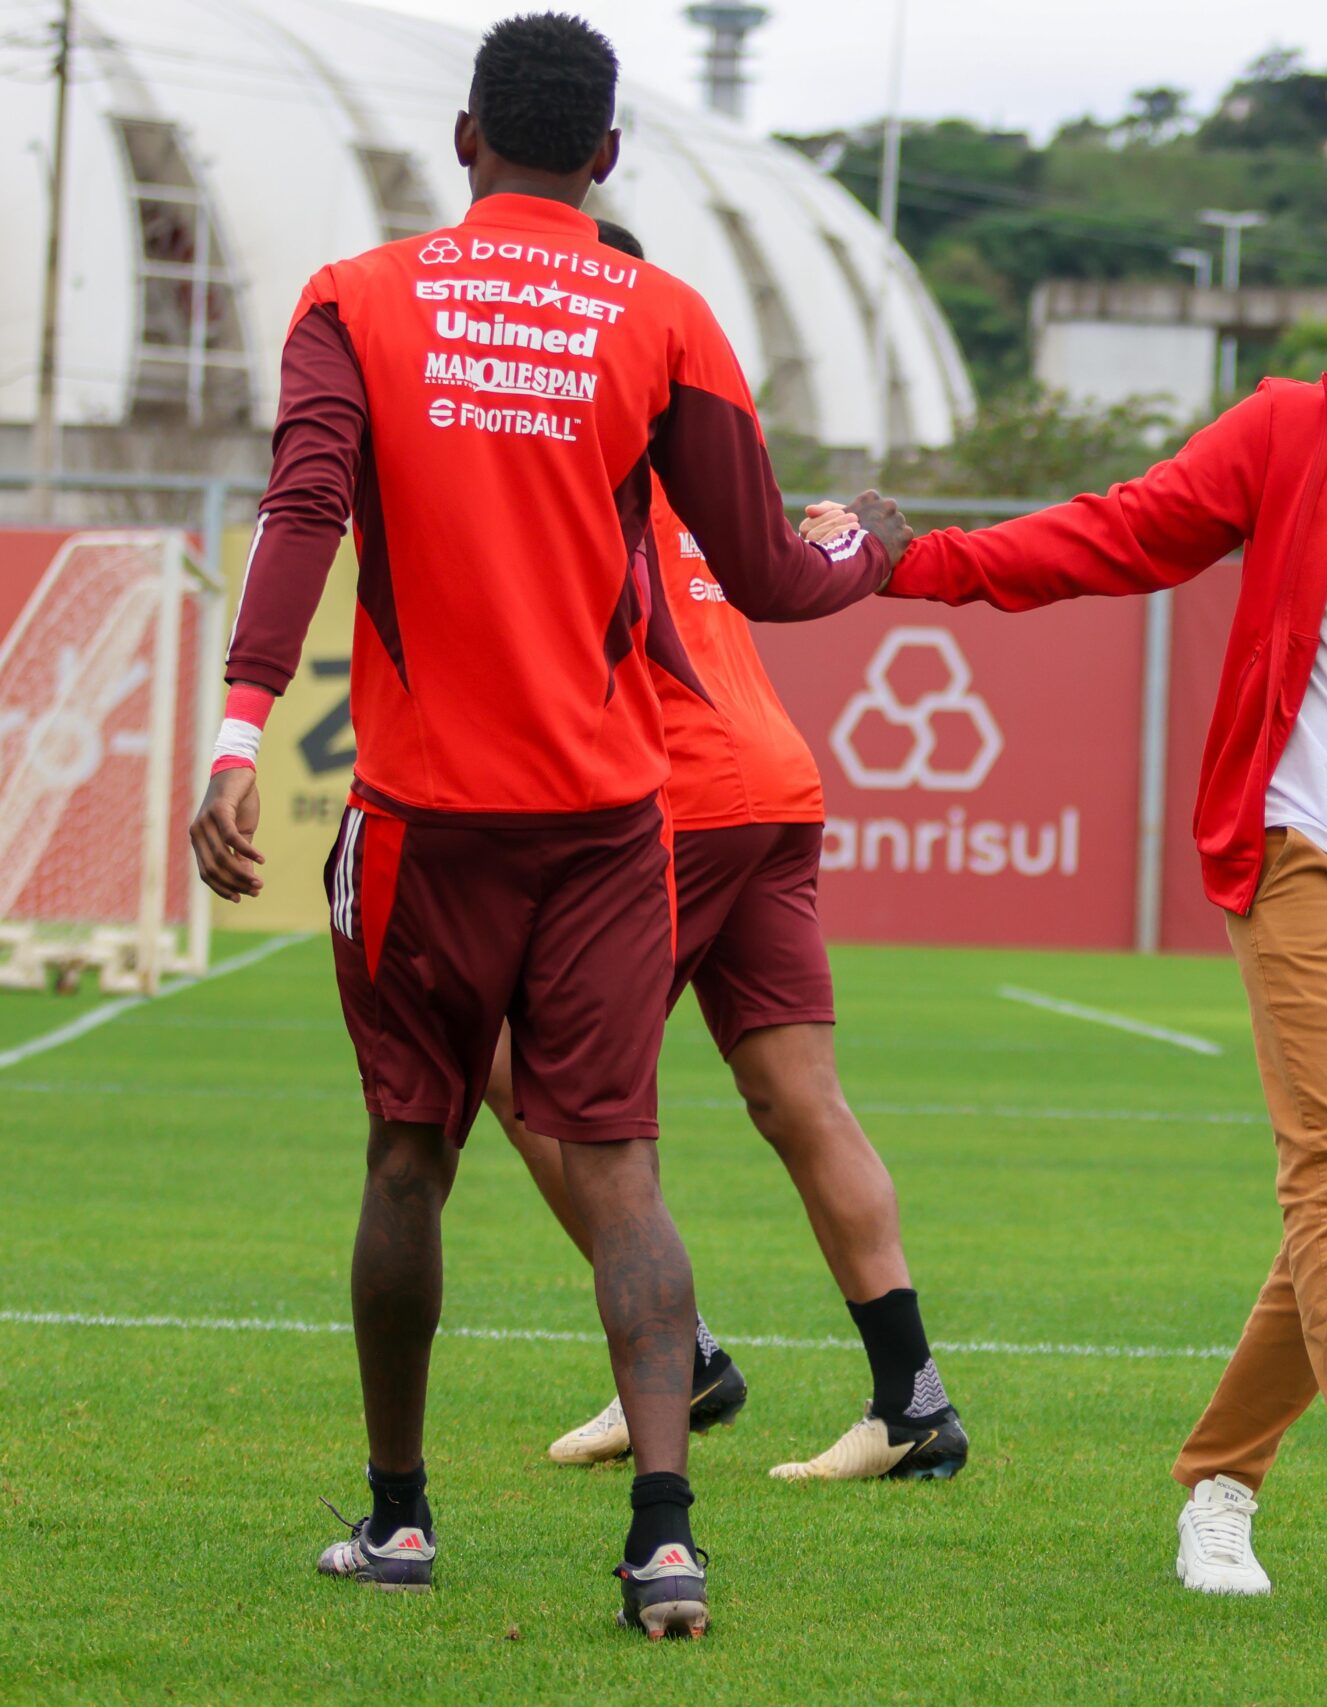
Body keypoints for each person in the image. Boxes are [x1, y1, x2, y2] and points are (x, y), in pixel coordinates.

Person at [804, 181, 1327, 1628]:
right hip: (1299, 849)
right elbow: (1113, 534)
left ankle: (1220, 1478)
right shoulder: (1290, 433)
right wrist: (911, 562)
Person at [187, 14, 898, 1639]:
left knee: (407, 1161)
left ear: (462, 140)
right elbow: (778, 576)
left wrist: (239, 736)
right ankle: (664, 1541)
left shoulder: (355, 302)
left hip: (424, 824)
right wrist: (872, 544)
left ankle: (400, 1519)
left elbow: (304, 513)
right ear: (611, 154)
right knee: (624, 1170)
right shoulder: (663, 316)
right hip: (602, 827)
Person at [484, 219, 967, 1486]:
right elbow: (801, 558)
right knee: (799, 1100)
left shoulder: (558, 460)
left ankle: (682, 1356)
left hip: (675, 801)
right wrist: (862, 531)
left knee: (527, 1076)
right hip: (778, 787)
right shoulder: (696, 462)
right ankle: (911, 1404)